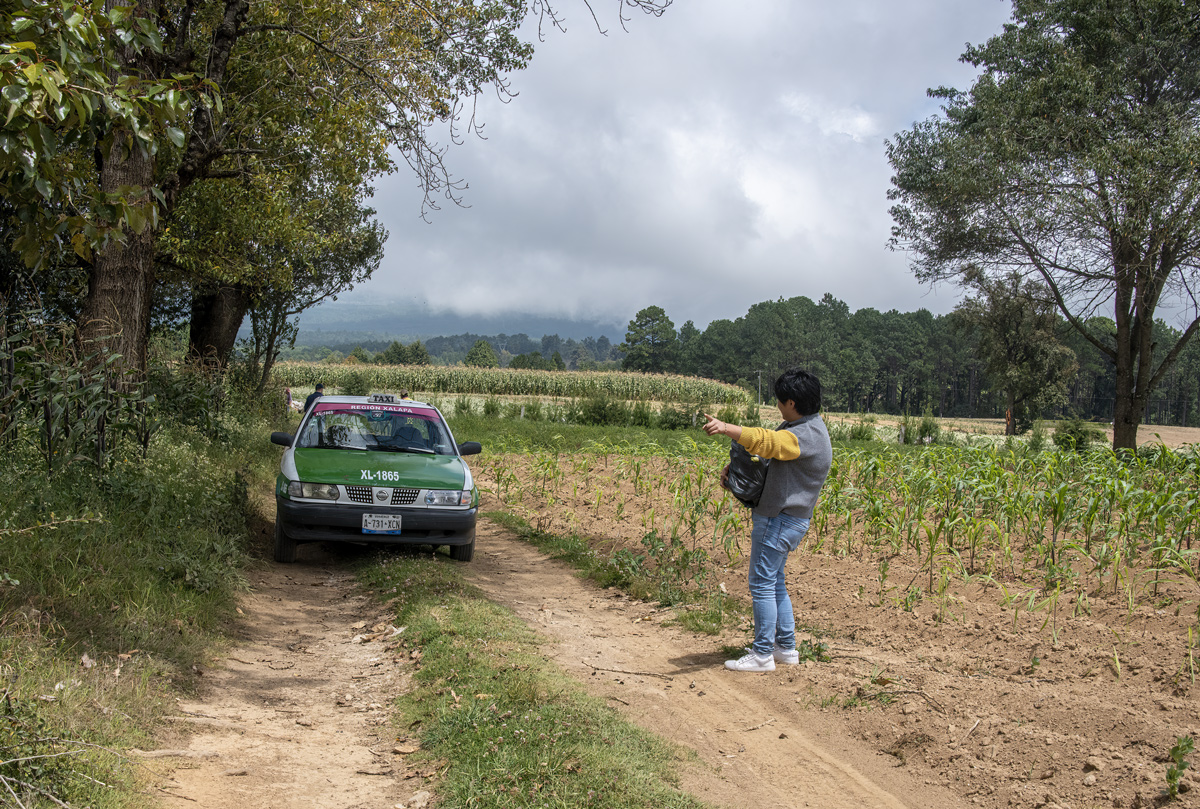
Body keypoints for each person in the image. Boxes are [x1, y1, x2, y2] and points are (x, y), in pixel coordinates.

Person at [702, 368, 832, 672]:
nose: (776, 405)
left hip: (779, 520)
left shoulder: (804, 435)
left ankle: (762, 655)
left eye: (778, 400)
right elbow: (767, 459)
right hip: (786, 519)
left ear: (790, 402)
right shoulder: (804, 426)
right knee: (775, 583)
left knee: (761, 583)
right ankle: (785, 648)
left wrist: (726, 428)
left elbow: (767, 442)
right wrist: (735, 474)